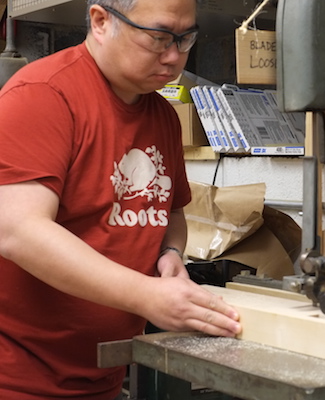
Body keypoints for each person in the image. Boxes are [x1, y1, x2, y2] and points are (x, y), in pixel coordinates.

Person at [0, 0, 242, 399]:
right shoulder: (43, 95)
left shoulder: (162, 115)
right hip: (19, 379)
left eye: (185, 39)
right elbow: (19, 230)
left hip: (103, 374)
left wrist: (171, 254)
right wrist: (146, 296)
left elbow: (171, 211)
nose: (173, 56)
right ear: (100, 21)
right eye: (159, 37)